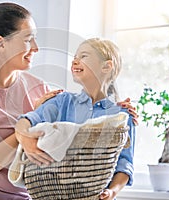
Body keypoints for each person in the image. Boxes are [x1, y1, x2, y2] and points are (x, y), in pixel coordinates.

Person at [0, 2, 137, 199]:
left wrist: (113, 112)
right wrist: (23, 132)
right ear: (1, 43)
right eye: (28, 40)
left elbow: (72, 130)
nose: (36, 48)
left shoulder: (39, 89)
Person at [15, 38, 135, 200]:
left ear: (106, 66)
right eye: (75, 57)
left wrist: (112, 191)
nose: (75, 61)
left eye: (83, 56)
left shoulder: (121, 115)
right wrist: (25, 138)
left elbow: (125, 163)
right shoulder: (61, 101)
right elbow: (27, 120)